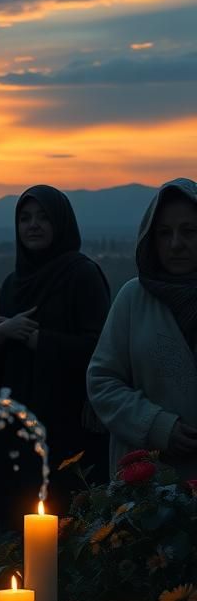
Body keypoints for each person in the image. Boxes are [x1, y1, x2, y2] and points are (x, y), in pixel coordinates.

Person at [0, 185, 110, 515]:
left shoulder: (82, 275)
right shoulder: (12, 284)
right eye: (25, 218)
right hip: (20, 429)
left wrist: (39, 340)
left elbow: (101, 348)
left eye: (43, 217)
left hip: (70, 428)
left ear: (61, 222)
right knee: (21, 520)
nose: (33, 225)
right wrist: (0, 334)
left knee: (73, 521)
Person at [87, 179, 197, 479]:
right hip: (146, 485)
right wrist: (158, 427)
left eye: (188, 231)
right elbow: (102, 381)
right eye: (165, 233)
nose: (176, 243)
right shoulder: (133, 298)